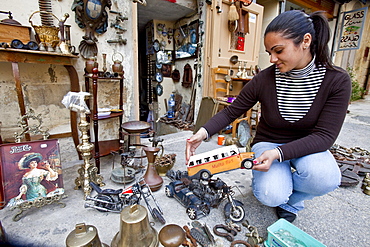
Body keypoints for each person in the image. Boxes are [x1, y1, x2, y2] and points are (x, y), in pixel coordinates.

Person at [186, 10, 351, 222]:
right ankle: (281, 191)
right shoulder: (265, 79)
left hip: (309, 145)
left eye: (279, 51)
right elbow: (232, 110)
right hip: (268, 142)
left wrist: (279, 154)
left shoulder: (336, 81)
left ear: (305, 41)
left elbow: (324, 137)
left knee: (324, 178)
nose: (272, 59)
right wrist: (202, 133)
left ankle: (292, 201)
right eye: (269, 52)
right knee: (270, 194)